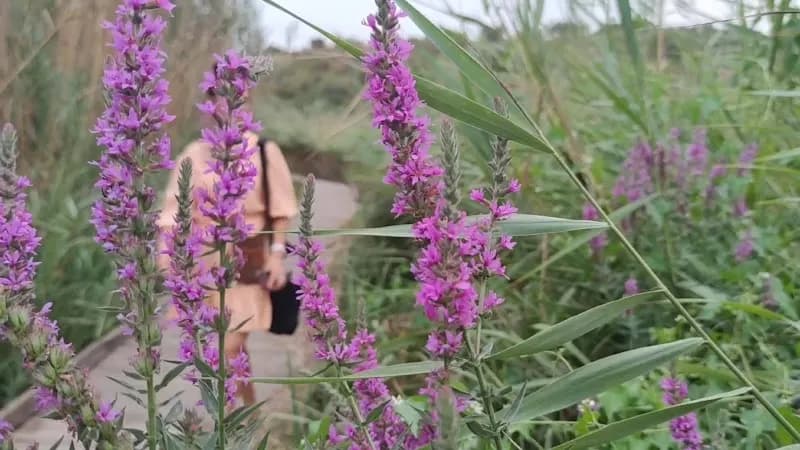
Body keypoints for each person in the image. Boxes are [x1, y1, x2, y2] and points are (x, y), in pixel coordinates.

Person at [157, 89, 298, 407]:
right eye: (217, 99)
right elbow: (172, 212)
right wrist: (167, 258)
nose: (227, 106)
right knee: (231, 356)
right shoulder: (194, 153)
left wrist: (276, 256)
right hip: (201, 267)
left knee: (226, 350)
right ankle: (248, 421)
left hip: (246, 262)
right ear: (208, 106)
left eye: (238, 98)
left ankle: (230, 427)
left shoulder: (263, 150)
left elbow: (281, 210)